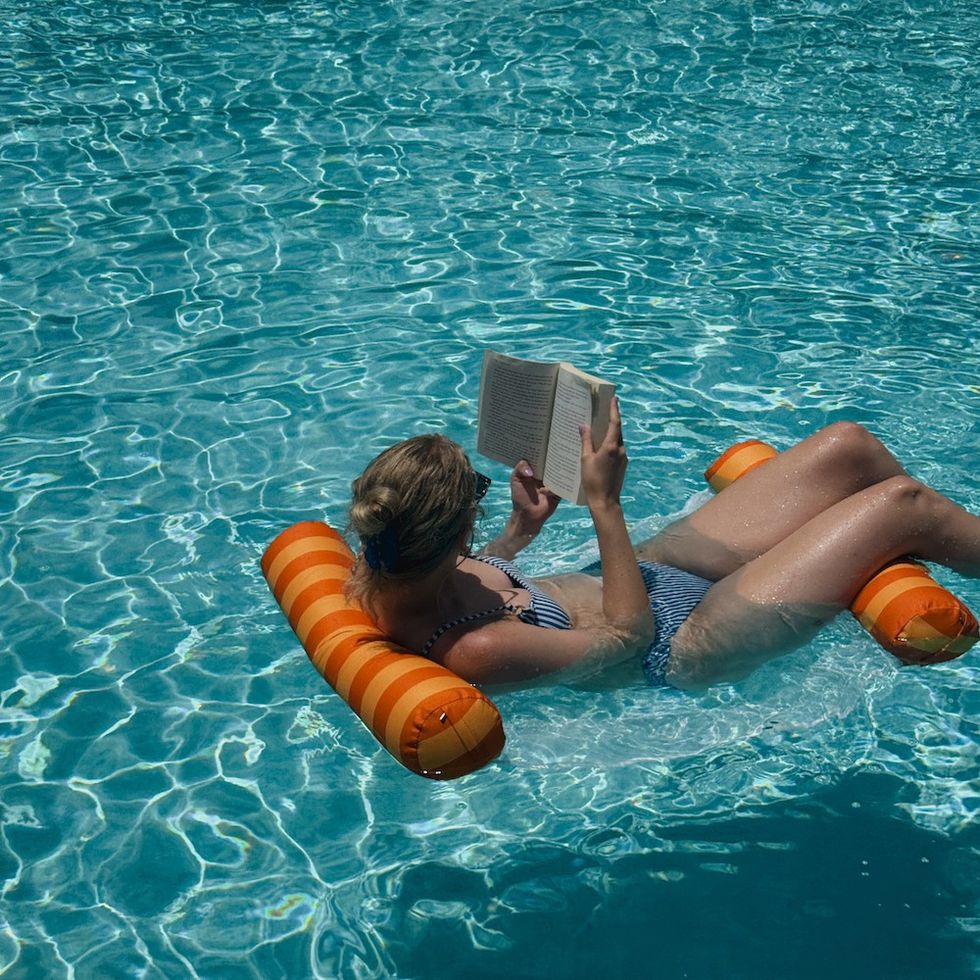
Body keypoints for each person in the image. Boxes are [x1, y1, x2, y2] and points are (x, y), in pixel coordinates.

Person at [346, 400, 980, 689]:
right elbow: (629, 641)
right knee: (903, 506)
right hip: (684, 641)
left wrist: (517, 533)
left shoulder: (398, 557)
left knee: (850, 447)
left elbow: (470, 577)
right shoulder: (480, 649)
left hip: (642, 574)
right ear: (449, 532)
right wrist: (605, 502)